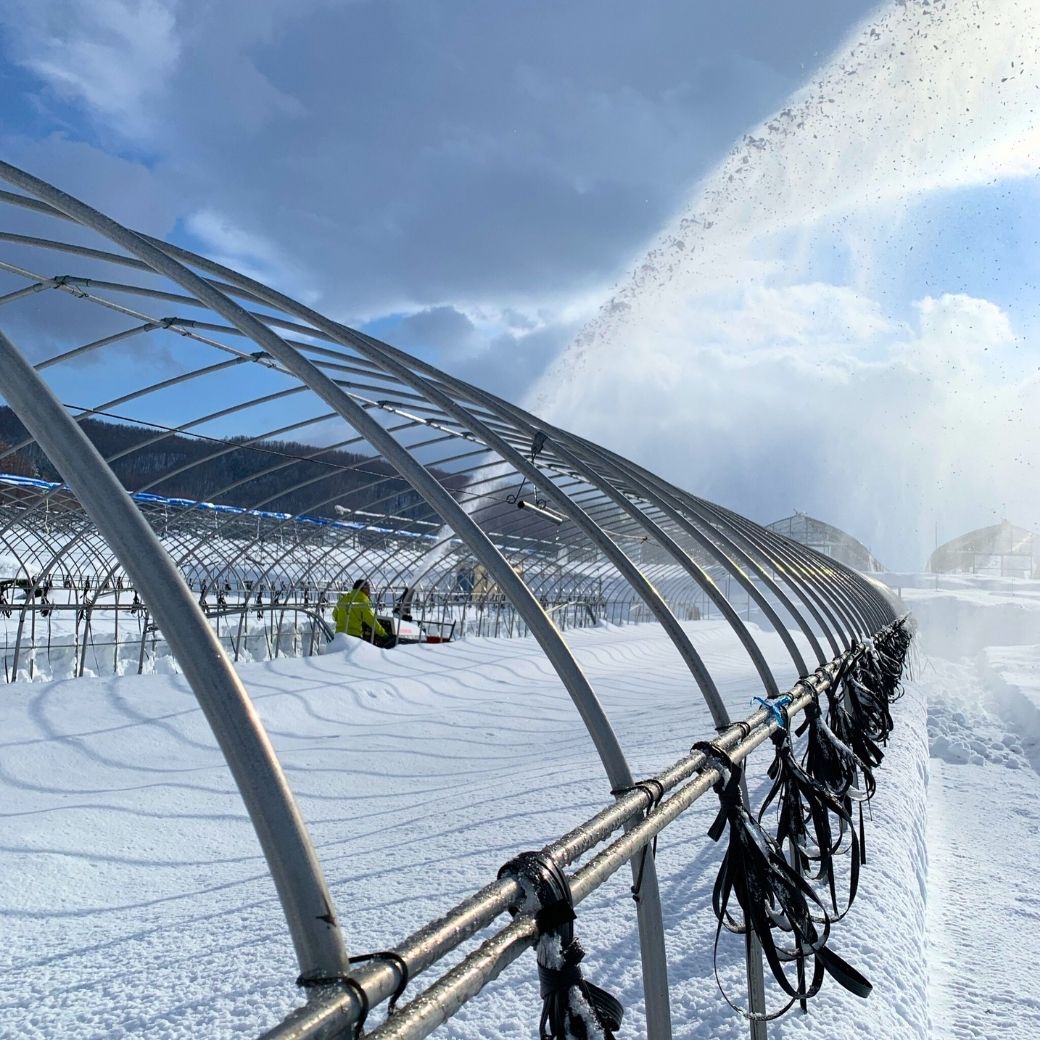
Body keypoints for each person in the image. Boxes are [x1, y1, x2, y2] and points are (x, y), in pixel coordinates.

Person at [333, 579, 397, 648]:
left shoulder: (343, 599)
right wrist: (384, 634)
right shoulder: (362, 600)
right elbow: (371, 620)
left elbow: (334, 616)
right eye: (368, 588)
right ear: (363, 588)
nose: (369, 592)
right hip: (353, 637)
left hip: (339, 636)